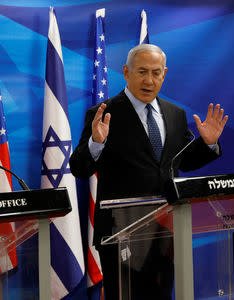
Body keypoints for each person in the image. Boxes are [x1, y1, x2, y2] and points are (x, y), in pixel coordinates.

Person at [70, 44, 228, 300]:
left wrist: (207, 144)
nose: (149, 80)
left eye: (156, 73)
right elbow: (79, 167)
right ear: (126, 72)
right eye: (142, 71)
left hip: (165, 232)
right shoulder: (104, 114)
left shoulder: (175, 114)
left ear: (164, 74)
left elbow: (182, 162)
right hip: (120, 234)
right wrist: (96, 143)